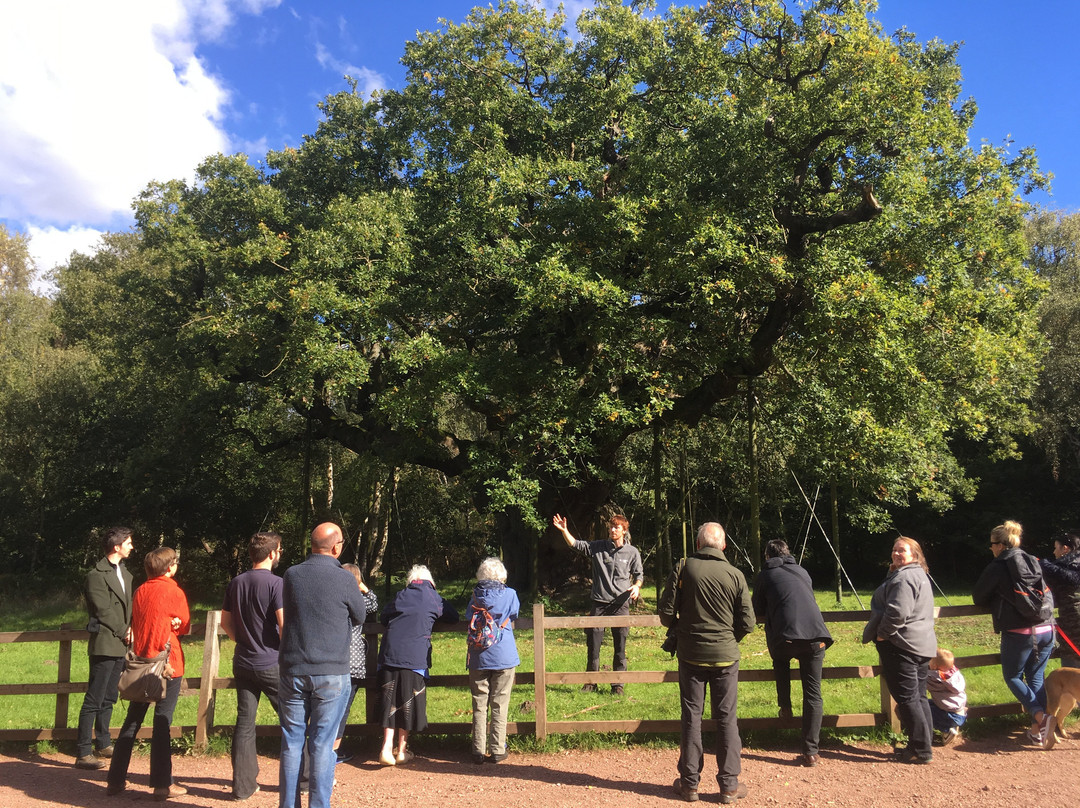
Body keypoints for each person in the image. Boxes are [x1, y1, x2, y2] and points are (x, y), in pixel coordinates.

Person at [658, 522, 755, 804]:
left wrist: (684, 628)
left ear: (699, 544)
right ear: (723, 545)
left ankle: (689, 785)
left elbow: (665, 614)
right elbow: (748, 623)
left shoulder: (684, 567)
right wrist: (728, 637)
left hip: (691, 655)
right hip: (726, 657)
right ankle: (729, 786)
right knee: (727, 719)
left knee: (692, 717)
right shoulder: (736, 574)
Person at [278, 522, 368, 808]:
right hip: (331, 670)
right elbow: (361, 615)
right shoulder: (343, 578)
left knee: (292, 742)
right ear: (336, 546)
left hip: (293, 668)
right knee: (322, 743)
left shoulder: (291, 574)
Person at [106, 546, 191, 800]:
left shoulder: (140, 590)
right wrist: (175, 623)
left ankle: (115, 779)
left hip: (141, 663)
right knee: (162, 722)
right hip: (167, 663)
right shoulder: (173, 591)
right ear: (169, 567)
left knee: (132, 721)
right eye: (174, 563)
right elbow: (184, 625)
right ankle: (163, 785)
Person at [973, 520, 1056, 746]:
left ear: (1000, 545)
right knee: (1036, 677)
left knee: (1012, 676)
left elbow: (978, 597)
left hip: (1020, 631)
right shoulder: (1032, 560)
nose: (990, 548)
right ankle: (1038, 730)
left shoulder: (999, 566)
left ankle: (1043, 718)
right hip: (1047, 627)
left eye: (992, 544)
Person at [751, 539, 833, 767]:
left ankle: (785, 707)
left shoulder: (765, 575)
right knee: (813, 694)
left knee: (779, 659)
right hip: (817, 637)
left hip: (785, 637)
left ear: (767, 555)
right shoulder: (803, 571)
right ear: (788, 553)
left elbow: (756, 609)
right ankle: (811, 751)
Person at [862, 536, 937, 764]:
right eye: (894, 550)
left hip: (902, 645)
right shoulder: (919, 575)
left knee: (907, 698)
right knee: (919, 696)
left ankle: (921, 750)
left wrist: (883, 635)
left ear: (914, 555)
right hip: (922, 644)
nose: (896, 553)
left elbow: (897, 612)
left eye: (901, 550)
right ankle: (922, 743)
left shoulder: (904, 578)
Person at [220, 531, 284, 801]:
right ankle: (303, 779)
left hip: (243, 661)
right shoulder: (277, 584)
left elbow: (225, 622)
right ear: (272, 553)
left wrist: (242, 639)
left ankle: (243, 787)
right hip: (271, 662)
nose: (280, 553)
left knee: (244, 723)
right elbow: (285, 625)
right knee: (293, 720)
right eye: (279, 549)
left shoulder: (236, 582)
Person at [552, 512, 644, 694]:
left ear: (624, 531)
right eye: (611, 527)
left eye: (616, 527)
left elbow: (639, 575)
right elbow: (576, 545)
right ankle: (590, 683)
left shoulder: (632, 552)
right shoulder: (598, 547)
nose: (612, 530)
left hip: (621, 605)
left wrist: (637, 586)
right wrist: (564, 530)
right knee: (593, 645)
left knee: (620, 646)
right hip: (599, 604)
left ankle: (618, 685)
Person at [377, 564, 459, 766]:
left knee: (390, 701)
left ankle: (386, 748)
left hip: (390, 654)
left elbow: (384, 616)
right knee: (408, 702)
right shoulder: (433, 597)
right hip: (414, 657)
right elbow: (453, 616)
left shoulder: (400, 595)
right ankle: (402, 751)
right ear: (431, 582)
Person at [75, 527, 134, 770]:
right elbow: (102, 609)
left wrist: (130, 630)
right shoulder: (95, 575)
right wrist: (124, 630)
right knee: (94, 698)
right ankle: (83, 752)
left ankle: (104, 742)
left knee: (109, 696)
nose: (132, 546)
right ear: (116, 546)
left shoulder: (126, 573)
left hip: (120, 643)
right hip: (105, 642)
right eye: (128, 543)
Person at [466, 557, 520, 765]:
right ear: (501, 575)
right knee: (500, 702)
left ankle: (477, 750)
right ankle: (497, 749)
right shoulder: (510, 594)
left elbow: (468, 616)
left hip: (479, 655)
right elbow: (513, 613)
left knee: (479, 703)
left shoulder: (474, 596)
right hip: (504, 655)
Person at [331, 563, 378, 762]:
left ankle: (322, 748)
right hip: (353, 662)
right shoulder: (358, 601)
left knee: (328, 707)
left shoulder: (332, 600)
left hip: (330, 660)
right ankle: (334, 750)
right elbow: (374, 603)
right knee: (343, 708)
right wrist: (363, 587)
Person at [1039, 530, 1080, 668]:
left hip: (1073, 620)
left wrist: (1046, 566)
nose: (1054, 552)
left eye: (1056, 548)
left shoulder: (1060, 569)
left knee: (1071, 658)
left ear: (1065, 549)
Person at [926, 647, 967, 745]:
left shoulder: (934, 678)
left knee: (922, 710)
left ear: (934, 665)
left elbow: (921, 681)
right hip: (959, 711)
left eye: (929, 661)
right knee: (927, 703)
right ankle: (951, 725)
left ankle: (947, 730)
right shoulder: (954, 673)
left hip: (949, 715)